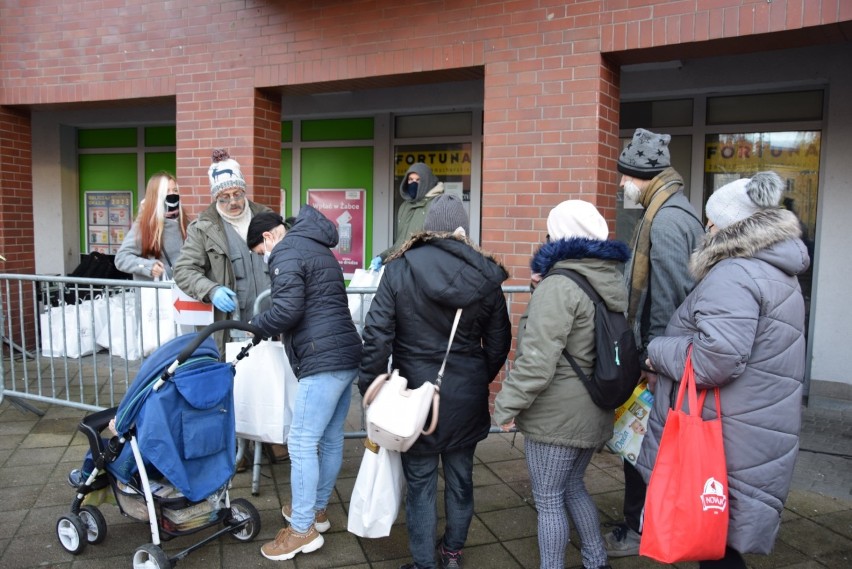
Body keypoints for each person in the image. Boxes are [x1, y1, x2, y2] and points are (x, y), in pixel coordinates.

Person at [636, 171, 810, 568]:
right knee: (719, 540)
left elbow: (717, 359)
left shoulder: (734, 274)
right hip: (752, 422)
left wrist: (657, 351)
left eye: (713, 219)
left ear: (732, 226)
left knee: (714, 538)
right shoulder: (774, 271)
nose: (707, 226)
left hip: (728, 429)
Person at [359, 193, 511, 569]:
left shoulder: (399, 268)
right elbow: (499, 341)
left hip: (413, 396)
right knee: (461, 479)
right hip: (464, 393)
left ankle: (425, 563)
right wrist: (478, 376)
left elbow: (377, 335)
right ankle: (453, 554)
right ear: (462, 230)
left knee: (421, 485)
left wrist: (371, 387)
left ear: (427, 227)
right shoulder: (486, 273)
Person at [493, 200, 628, 569]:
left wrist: (506, 406)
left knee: (549, 498)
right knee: (574, 486)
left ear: (561, 236)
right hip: (594, 407)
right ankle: (595, 559)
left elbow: (536, 362)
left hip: (557, 417)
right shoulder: (605, 277)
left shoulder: (560, 285)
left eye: (550, 231)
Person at [604, 128, 704, 558]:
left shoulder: (664, 221)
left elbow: (667, 296)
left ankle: (640, 526)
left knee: (643, 445)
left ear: (641, 176)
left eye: (625, 177)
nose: (622, 185)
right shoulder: (675, 210)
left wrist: (651, 357)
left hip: (660, 357)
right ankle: (647, 521)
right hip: (666, 353)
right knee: (647, 443)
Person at [245, 208, 362, 562]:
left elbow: (288, 309)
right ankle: (316, 511)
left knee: (300, 441)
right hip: (345, 355)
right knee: (329, 438)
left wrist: (256, 325)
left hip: (321, 359)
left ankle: (301, 529)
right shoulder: (316, 245)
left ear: (266, 239)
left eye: (260, 252)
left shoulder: (285, 251)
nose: (264, 258)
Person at [173, 148, 272, 356]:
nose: (233, 202)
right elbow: (183, 270)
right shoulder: (202, 227)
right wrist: (211, 290)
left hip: (271, 321)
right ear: (216, 197)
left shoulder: (267, 218)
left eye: (237, 194)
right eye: (224, 197)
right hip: (229, 325)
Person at [368, 162, 445, 271]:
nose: (413, 183)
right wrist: (382, 257)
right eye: (410, 180)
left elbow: (440, 244)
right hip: (403, 269)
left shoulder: (437, 204)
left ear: (426, 182)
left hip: (424, 270)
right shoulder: (405, 206)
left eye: (418, 180)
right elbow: (400, 243)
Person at [115, 171, 188, 280]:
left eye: (175, 190)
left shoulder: (186, 223)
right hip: (153, 293)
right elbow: (121, 259)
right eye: (166, 191)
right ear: (156, 195)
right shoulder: (144, 225)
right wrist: (149, 266)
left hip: (181, 292)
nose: (172, 194)